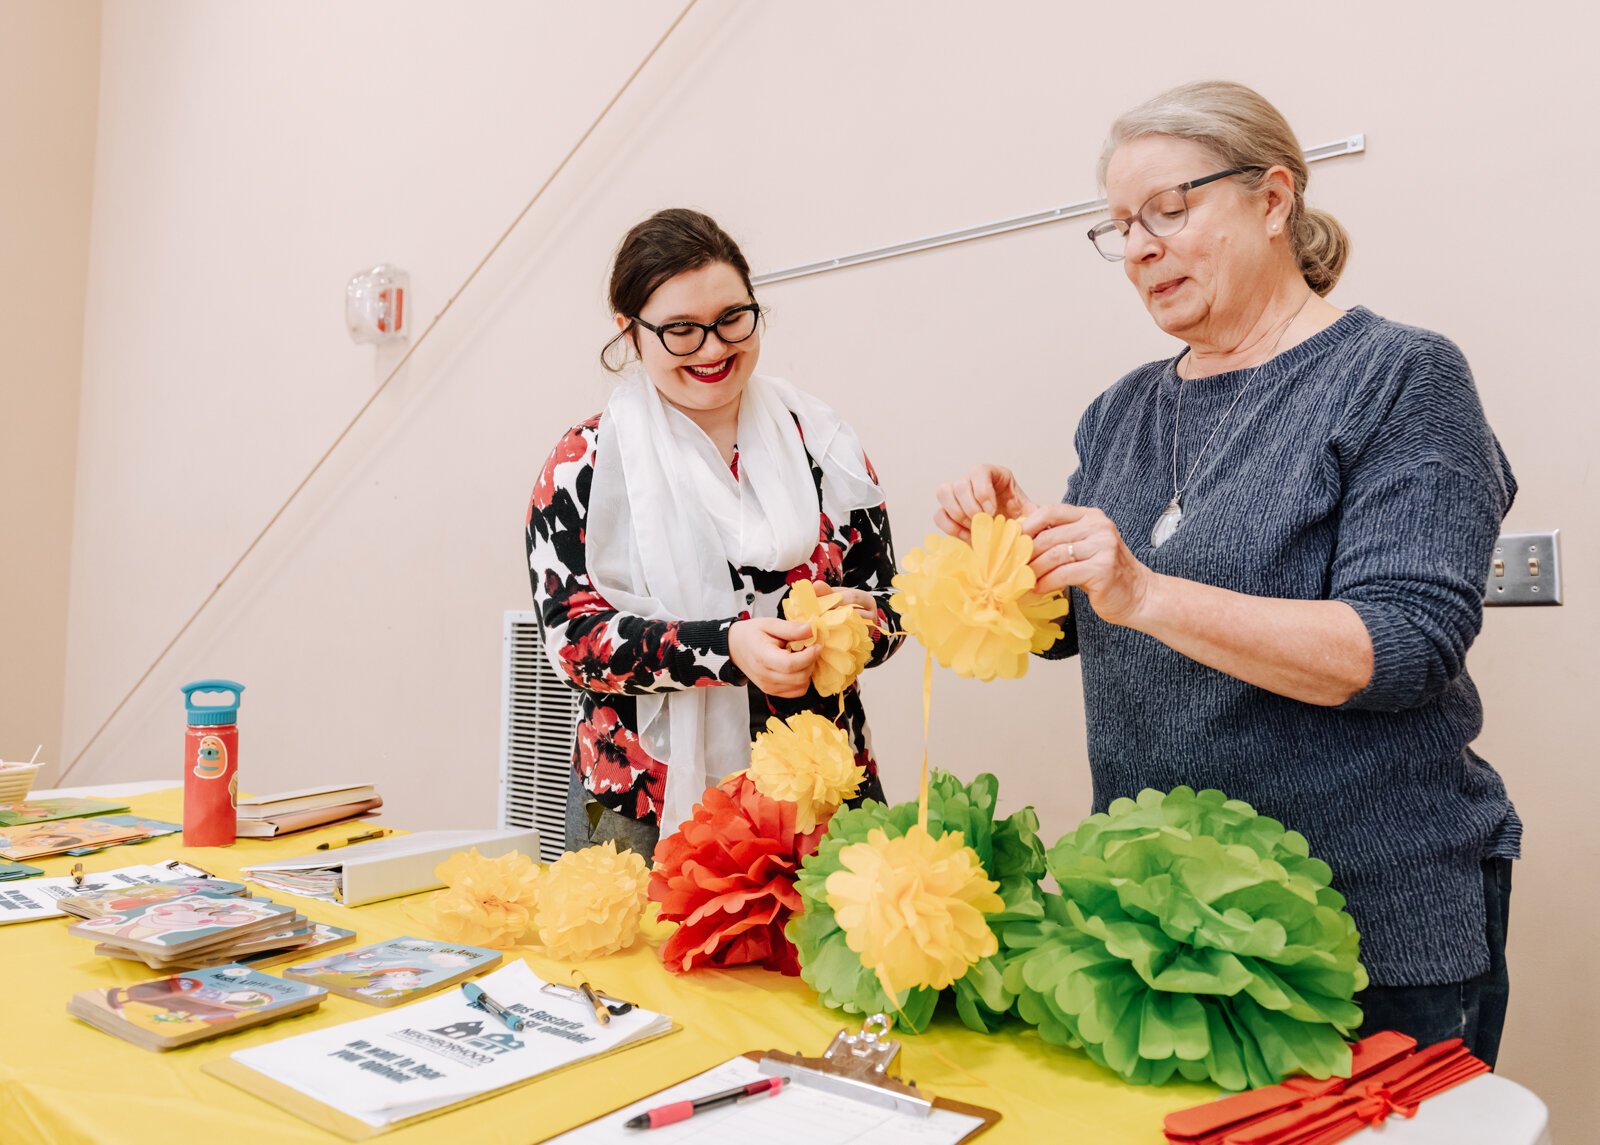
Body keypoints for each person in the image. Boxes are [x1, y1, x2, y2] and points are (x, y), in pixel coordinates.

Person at [935, 82, 1517, 1064]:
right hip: (1160, 930)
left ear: (1273, 198)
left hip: (1363, 930)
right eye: (1120, 226)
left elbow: (1401, 646)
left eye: (1169, 208)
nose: (1141, 247)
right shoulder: (1118, 411)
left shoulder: (1401, 375)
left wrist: (1147, 590)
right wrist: (1015, 566)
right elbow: (1088, 624)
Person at [526, 208, 904, 857]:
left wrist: (858, 622)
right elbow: (575, 643)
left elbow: (893, 608)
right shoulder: (586, 462)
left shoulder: (823, 445)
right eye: (680, 330)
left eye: (733, 318)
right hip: (644, 810)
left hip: (821, 801)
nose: (713, 348)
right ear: (630, 330)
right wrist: (728, 648)